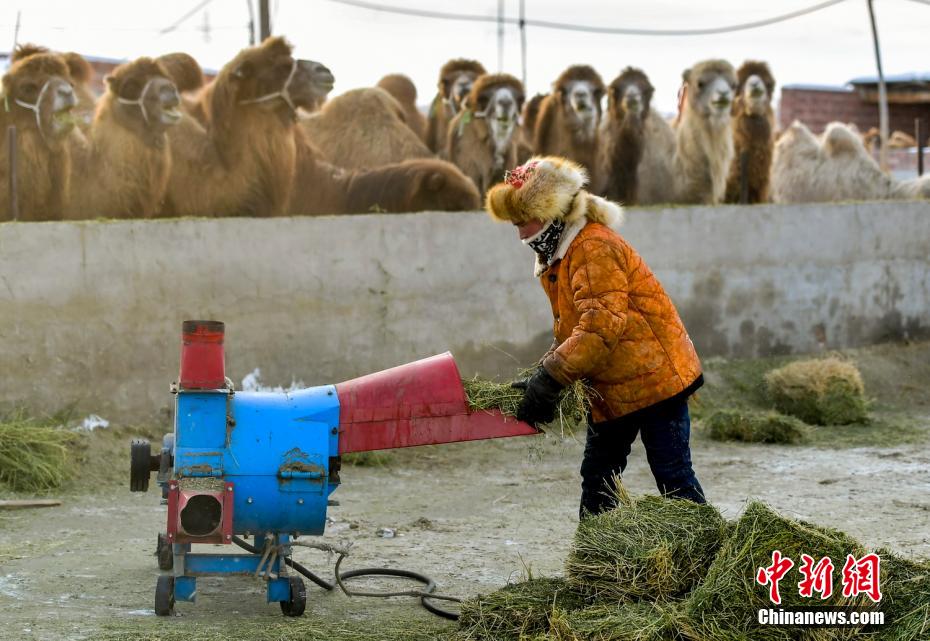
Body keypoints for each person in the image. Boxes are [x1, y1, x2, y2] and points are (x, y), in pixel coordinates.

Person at [485, 156, 705, 517]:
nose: (521, 232)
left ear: (552, 211)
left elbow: (601, 325)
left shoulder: (593, 247)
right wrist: (545, 373)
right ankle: (595, 563)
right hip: (612, 386)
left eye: (525, 220)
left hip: (656, 380)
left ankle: (707, 558)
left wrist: (552, 377)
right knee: (599, 478)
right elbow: (575, 328)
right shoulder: (560, 256)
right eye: (515, 223)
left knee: (673, 475)